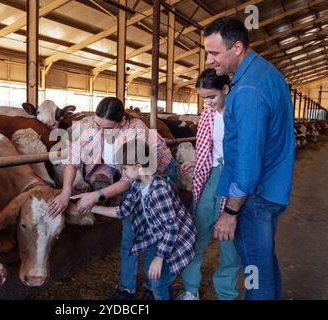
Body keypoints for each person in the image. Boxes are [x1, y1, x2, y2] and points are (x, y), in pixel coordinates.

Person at [47, 96, 179, 299]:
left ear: (121, 122)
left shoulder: (135, 130)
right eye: (98, 124)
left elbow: (128, 180)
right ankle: (126, 289)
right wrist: (65, 192)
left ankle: (153, 288)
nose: (100, 131)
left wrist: (96, 196)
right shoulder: (92, 126)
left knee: (154, 233)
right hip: (132, 176)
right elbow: (73, 160)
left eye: (106, 128)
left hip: (157, 176)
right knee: (130, 232)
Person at [203, 17, 295, 300]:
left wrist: (230, 212)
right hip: (271, 190)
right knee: (264, 264)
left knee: (254, 272)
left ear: (238, 47)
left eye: (215, 53)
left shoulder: (246, 92)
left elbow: (247, 161)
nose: (209, 61)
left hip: (253, 198)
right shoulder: (266, 74)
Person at [88, 141, 196, 300]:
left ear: (137, 166)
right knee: (157, 281)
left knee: (159, 283)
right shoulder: (138, 185)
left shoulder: (159, 190)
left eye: (124, 168)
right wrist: (92, 208)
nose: (122, 172)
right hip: (161, 238)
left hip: (177, 242)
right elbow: (124, 210)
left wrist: (159, 258)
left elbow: (172, 229)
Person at [176, 68, 240, 300]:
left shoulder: (240, 112)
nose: (208, 102)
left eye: (211, 96)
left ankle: (227, 294)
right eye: (204, 98)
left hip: (235, 178)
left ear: (226, 89)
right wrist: (198, 160)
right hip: (211, 176)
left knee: (229, 243)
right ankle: (191, 289)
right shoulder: (208, 115)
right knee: (197, 232)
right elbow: (210, 147)